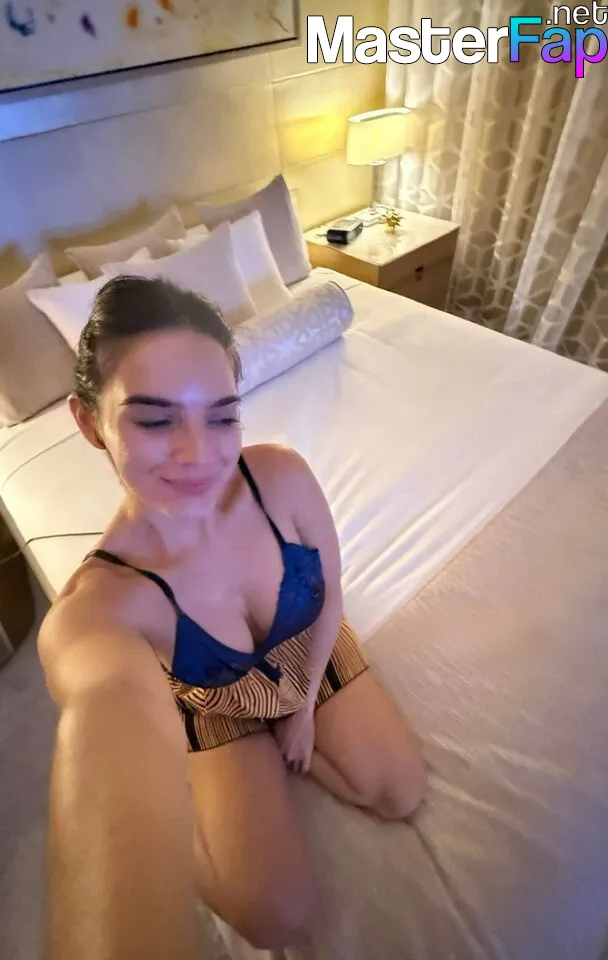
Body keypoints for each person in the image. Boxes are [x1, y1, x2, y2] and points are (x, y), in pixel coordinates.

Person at [38, 275, 427, 960]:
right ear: (89, 422)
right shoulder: (102, 605)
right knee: (273, 915)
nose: (200, 454)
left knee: (398, 790)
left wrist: (301, 712)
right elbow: (100, 707)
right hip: (215, 699)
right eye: (155, 420)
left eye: (221, 416)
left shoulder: (281, 477)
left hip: (305, 648)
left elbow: (332, 589)